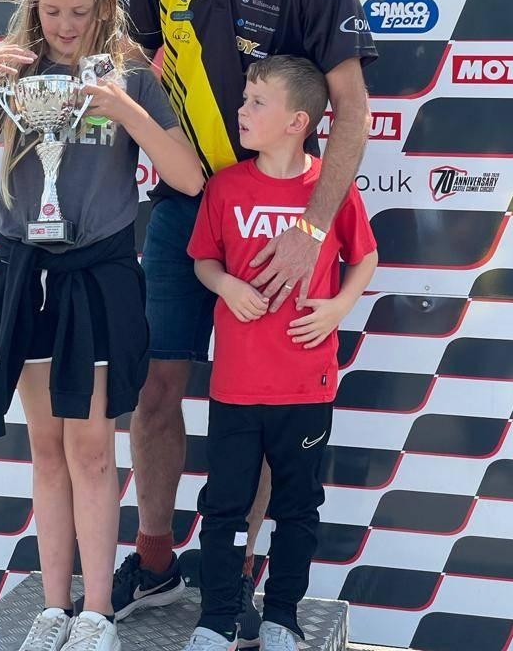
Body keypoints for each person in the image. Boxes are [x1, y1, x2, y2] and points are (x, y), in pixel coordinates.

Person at [114, 0, 377, 635]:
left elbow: (355, 110)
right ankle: (156, 561)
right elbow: (129, 53)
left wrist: (308, 229)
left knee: (262, 405)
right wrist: (162, 136)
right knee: (157, 386)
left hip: (275, 222)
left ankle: (240, 570)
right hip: (185, 207)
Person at [0, 0, 204, 651]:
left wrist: (123, 106)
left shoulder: (131, 75)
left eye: (78, 12)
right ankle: (54, 607)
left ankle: (98, 613)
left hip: (98, 274)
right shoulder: (12, 74)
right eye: (50, 11)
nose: (63, 24)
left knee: (91, 449)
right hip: (25, 272)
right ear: (34, 7)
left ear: (104, 8)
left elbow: (190, 175)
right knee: (46, 449)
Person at [185, 55, 378, 651]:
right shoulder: (225, 185)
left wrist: (341, 306)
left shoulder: (330, 187)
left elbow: (364, 256)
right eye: (243, 99)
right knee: (224, 507)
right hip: (236, 385)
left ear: (298, 121)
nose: (241, 111)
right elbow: (203, 259)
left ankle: (283, 618)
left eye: (255, 102)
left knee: (297, 509)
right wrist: (226, 285)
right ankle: (217, 619)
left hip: (305, 385)